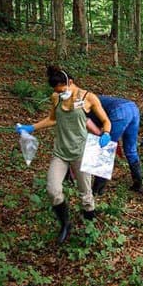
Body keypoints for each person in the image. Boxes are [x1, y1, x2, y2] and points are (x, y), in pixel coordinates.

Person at [15, 66, 111, 244]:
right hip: (60, 152)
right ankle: (65, 224)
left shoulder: (88, 97)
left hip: (80, 152)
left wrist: (105, 134)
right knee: (53, 189)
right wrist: (31, 127)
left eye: (62, 89)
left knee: (86, 194)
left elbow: (106, 121)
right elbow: (53, 119)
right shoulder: (56, 97)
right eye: (56, 91)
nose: (59, 93)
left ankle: (90, 229)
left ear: (70, 83)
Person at [85, 96, 143, 194]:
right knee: (131, 150)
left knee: (105, 149)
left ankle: (97, 189)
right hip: (133, 108)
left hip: (119, 111)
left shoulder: (83, 108)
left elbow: (94, 130)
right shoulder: (94, 99)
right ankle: (138, 184)